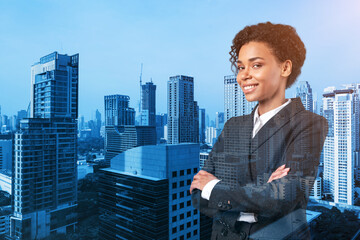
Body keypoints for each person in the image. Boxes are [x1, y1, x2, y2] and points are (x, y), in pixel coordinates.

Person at [190, 22, 328, 240]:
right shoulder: (233, 126)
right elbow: (198, 195)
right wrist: (262, 193)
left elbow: (284, 197)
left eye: (256, 65)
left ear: (285, 68)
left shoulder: (309, 124)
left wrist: (216, 188)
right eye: (240, 67)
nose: (243, 75)